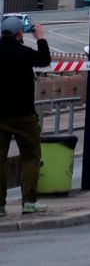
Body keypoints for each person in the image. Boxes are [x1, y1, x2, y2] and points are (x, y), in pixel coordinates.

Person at [1, 14, 53, 217]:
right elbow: (45, 60)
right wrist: (40, 37)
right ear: (19, 34)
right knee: (31, 156)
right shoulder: (24, 53)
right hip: (23, 115)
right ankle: (29, 202)